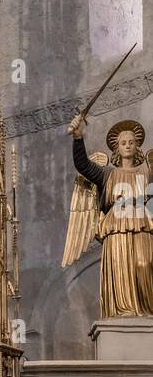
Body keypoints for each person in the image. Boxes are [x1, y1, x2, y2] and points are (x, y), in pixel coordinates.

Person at [67, 114, 153, 317]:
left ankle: (147, 309)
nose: (128, 145)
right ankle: (124, 310)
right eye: (123, 142)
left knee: (144, 264)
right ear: (117, 148)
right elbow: (83, 165)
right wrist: (78, 138)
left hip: (141, 223)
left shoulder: (147, 172)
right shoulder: (108, 174)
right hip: (116, 226)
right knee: (121, 267)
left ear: (137, 146)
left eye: (132, 142)